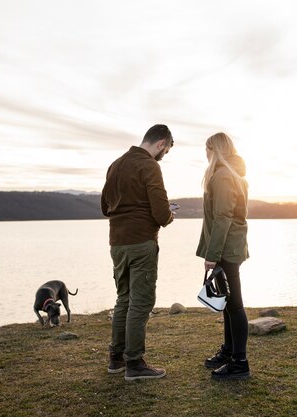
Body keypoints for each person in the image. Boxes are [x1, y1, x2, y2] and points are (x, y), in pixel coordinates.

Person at [101, 124, 175, 381]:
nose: (163, 156)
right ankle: (134, 363)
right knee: (141, 302)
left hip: (117, 243)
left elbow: (104, 206)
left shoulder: (115, 164)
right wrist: (169, 215)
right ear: (161, 143)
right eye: (165, 151)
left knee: (124, 298)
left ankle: (116, 358)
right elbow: (160, 213)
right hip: (141, 242)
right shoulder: (150, 166)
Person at [196, 132, 250, 381]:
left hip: (227, 249)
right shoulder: (227, 174)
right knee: (228, 304)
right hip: (228, 247)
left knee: (234, 304)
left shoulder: (223, 176)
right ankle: (229, 352)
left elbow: (224, 217)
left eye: (207, 149)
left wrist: (212, 254)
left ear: (213, 149)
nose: (205, 154)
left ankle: (239, 362)